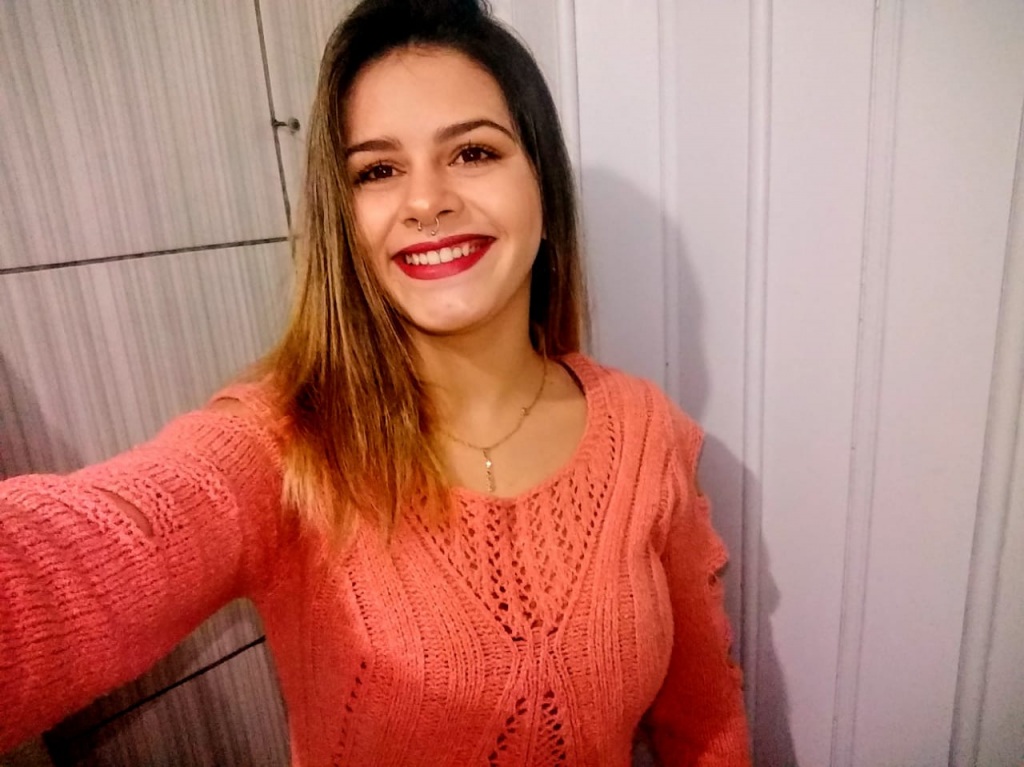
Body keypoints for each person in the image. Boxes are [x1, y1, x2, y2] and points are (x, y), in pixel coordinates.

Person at [0, 0, 750, 764]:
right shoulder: (283, 446)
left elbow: (707, 725)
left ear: (544, 188)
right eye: (378, 170)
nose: (426, 201)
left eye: (473, 152)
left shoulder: (646, 431)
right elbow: (88, 551)